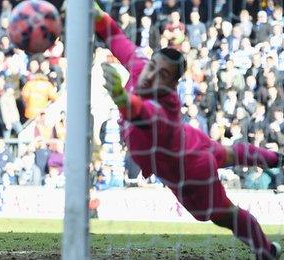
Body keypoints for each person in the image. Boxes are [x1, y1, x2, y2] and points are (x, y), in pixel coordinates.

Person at [93, 4, 282, 259]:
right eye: (153, 68)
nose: (152, 76)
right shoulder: (139, 66)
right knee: (230, 153)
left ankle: (266, 251)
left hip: (191, 168)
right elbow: (116, 37)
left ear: (172, 84)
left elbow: (145, 114)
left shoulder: (168, 104)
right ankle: (276, 158)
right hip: (190, 139)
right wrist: (93, 12)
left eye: (163, 75)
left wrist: (120, 97)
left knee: (224, 216)